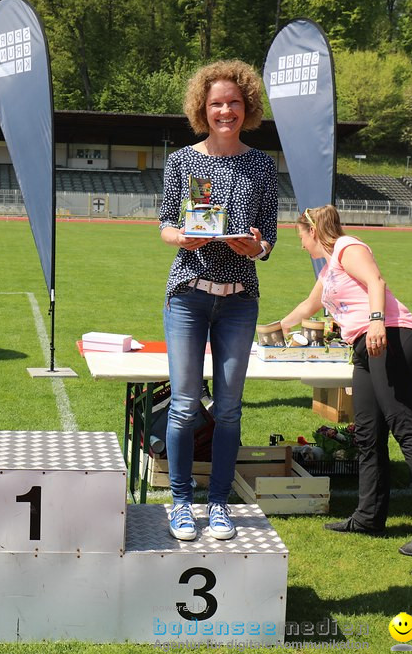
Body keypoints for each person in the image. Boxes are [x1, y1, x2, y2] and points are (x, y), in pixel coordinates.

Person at [279, 205, 412, 556]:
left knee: (403, 425)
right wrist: (273, 330)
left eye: (300, 237)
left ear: (313, 232)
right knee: (367, 432)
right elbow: (308, 307)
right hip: (364, 345)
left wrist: (377, 320)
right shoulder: (330, 269)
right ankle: (368, 516)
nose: (301, 245)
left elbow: (376, 281)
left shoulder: (348, 247)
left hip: (388, 335)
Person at [158, 60, 279, 542]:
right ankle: (182, 503)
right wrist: (182, 239)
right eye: (215, 104)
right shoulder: (184, 161)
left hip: (238, 301)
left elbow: (268, 235)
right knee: (185, 405)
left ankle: (220, 504)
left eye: (233, 102)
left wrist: (256, 247)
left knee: (229, 409)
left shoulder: (261, 164)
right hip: (188, 294)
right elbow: (167, 223)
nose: (225, 110)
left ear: (246, 106)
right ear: (201, 109)